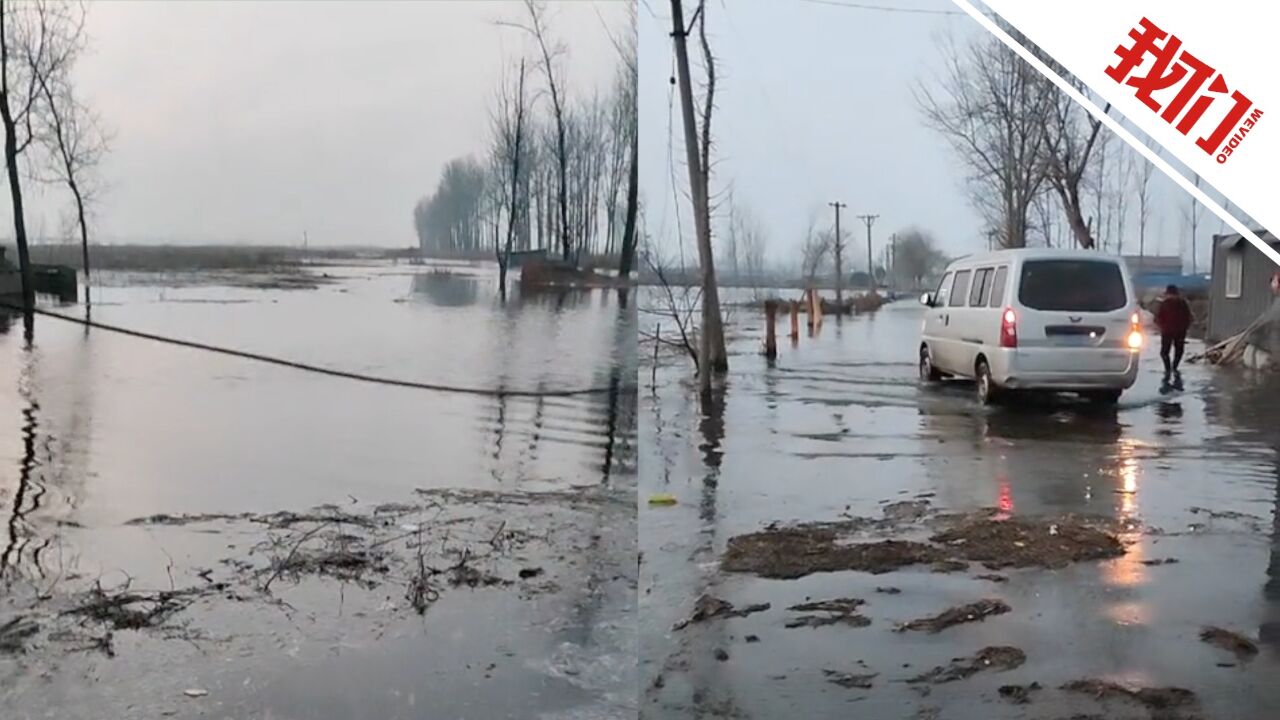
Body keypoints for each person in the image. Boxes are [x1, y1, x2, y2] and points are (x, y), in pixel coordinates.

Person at [1154, 284, 1193, 379]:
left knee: (1164, 352)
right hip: (1180, 331)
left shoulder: (1165, 303)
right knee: (1179, 350)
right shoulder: (1183, 303)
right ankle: (1174, 367)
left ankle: (1168, 369)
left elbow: (1158, 318)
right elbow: (1189, 317)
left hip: (1167, 331)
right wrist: (1185, 327)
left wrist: (1161, 326)